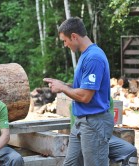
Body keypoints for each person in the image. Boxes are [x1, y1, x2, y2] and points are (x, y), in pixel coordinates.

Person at [43, 17, 114, 165]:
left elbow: (85, 96)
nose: (65, 44)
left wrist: (62, 88)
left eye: (65, 40)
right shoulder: (85, 55)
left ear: (74, 36)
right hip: (82, 121)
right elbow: (84, 87)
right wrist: (63, 84)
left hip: (95, 122)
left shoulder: (94, 57)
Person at [71, 97, 138, 166]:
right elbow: (76, 127)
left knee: (130, 151)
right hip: (85, 136)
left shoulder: (107, 99)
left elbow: (109, 124)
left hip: (104, 135)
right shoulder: (80, 99)